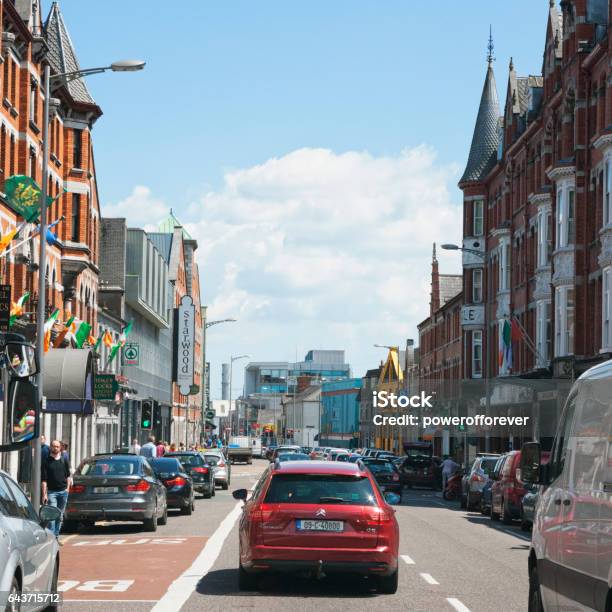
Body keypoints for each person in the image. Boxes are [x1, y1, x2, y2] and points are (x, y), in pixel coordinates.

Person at [41, 439, 72, 541]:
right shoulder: (46, 461)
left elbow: (68, 476)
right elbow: (44, 480)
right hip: (52, 493)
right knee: (52, 516)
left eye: (57, 446)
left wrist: (67, 489)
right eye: (53, 446)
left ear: (60, 448)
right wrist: (44, 494)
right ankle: (52, 538)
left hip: (63, 492)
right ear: (50, 447)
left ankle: (56, 536)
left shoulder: (64, 460)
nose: (55, 448)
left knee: (59, 516)